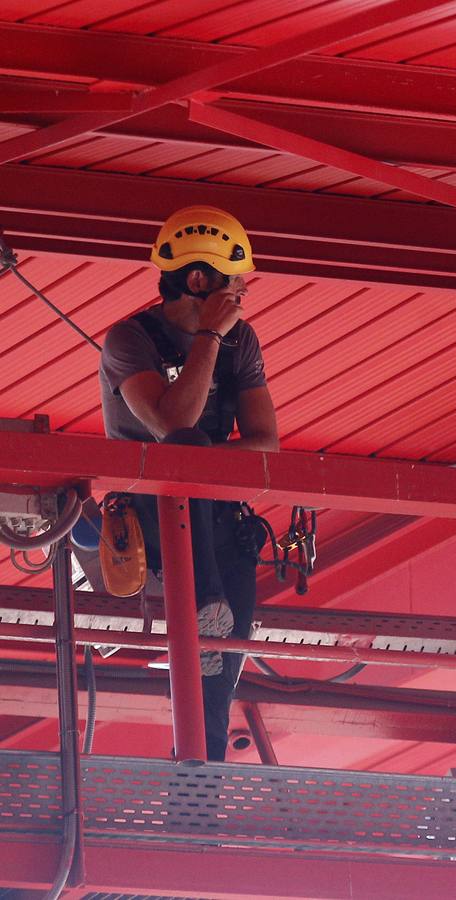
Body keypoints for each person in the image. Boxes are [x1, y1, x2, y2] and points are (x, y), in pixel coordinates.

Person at [98, 205, 279, 762]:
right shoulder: (129, 341)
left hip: (221, 525)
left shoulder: (240, 342)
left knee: (219, 682)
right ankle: (202, 601)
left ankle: (197, 800)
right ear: (199, 280)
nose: (242, 295)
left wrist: (208, 460)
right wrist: (208, 337)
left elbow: (265, 442)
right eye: (234, 282)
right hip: (151, 522)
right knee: (189, 446)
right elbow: (174, 425)